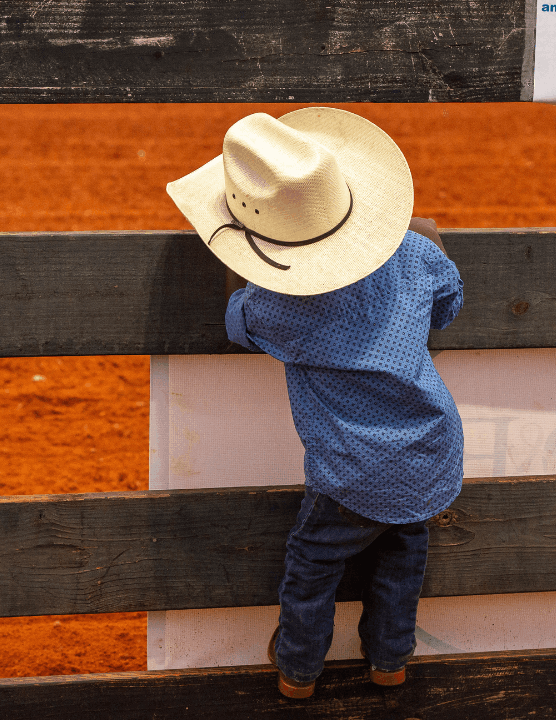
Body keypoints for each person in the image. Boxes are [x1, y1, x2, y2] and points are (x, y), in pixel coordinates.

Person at [166, 108, 464, 699]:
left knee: (313, 562)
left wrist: (253, 276)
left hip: (351, 467)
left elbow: (239, 323)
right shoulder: (418, 255)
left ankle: (299, 668)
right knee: (403, 558)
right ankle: (390, 660)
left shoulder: (282, 308)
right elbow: (447, 302)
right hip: (428, 447)